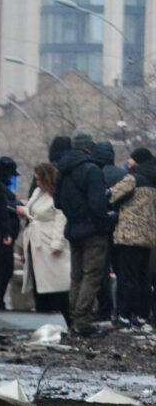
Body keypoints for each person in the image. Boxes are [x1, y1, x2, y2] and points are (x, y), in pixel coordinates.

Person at [55, 129, 114, 336]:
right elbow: (98, 205)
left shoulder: (63, 170)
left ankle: (74, 319)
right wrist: (107, 222)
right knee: (92, 275)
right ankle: (83, 322)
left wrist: (75, 215)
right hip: (93, 231)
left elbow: (57, 202)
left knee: (77, 276)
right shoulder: (92, 169)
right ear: (89, 147)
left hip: (73, 229)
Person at [108, 147, 156, 330]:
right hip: (148, 236)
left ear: (137, 161)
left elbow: (112, 195)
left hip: (129, 235)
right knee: (143, 277)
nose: (129, 163)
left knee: (128, 277)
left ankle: (126, 316)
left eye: (131, 160)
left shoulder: (134, 178)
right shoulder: (153, 180)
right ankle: (142, 316)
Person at [21, 163, 70, 319]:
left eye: (39, 179)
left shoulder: (57, 195)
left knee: (57, 281)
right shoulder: (37, 192)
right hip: (37, 245)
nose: (37, 183)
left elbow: (61, 219)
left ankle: (61, 316)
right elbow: (33, 212)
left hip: (48, 241)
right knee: (40, 282)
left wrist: (57, 243)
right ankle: (43, 314)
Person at [0, 157, 26, 310]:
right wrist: (18, 206)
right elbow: (1, 207)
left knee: (5, 269)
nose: (11, 178)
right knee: (4, 269)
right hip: (2, 236)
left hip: (5, 235)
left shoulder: (0, 186)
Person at [94, 141, 124, 323]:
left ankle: (104, 310)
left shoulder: (94, 174)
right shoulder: (124, 175)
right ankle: (122, 310)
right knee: (122, 271)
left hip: (100, 229)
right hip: (121, 229)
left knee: (101, 272)